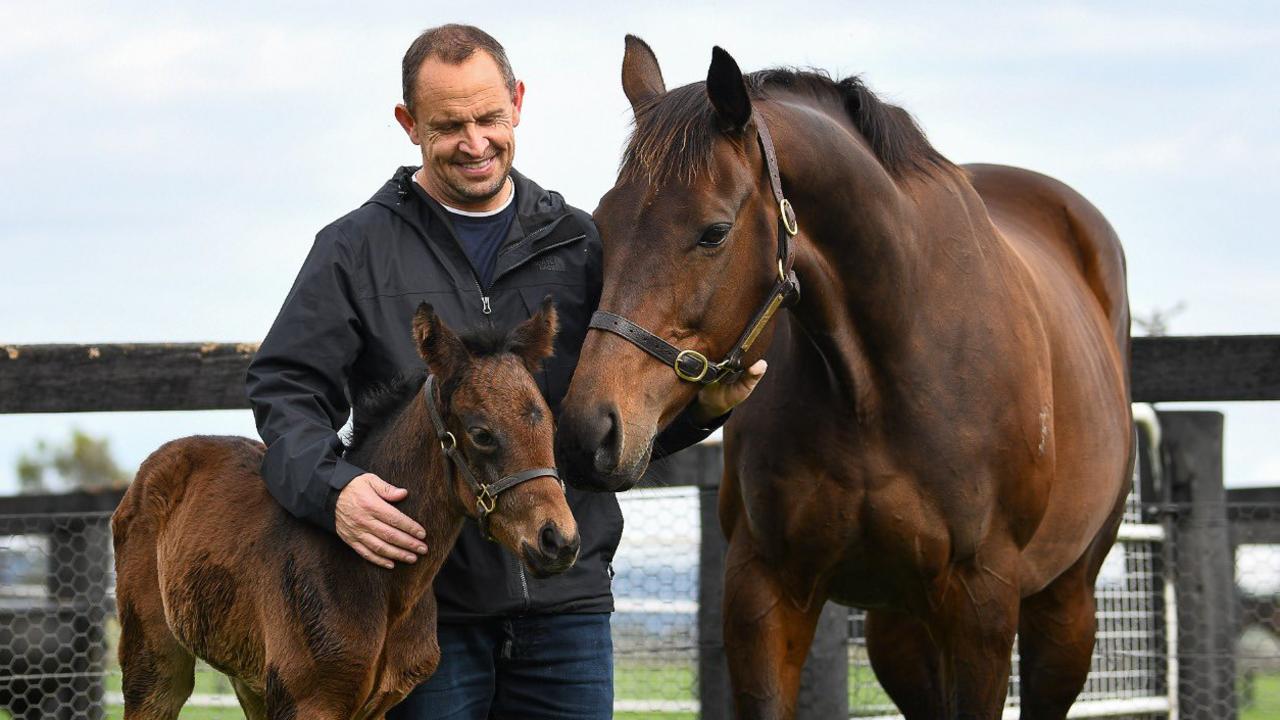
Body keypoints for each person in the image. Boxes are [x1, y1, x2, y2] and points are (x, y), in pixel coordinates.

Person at [245, 24, 766, 719]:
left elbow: (596, 437)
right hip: (421, 612)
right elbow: (285, 393)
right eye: (449, 125)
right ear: (408, 125)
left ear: (517, 102)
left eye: (489, 117)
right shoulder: (354, 250)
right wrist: (331, 491)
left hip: (568, 606)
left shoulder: (581, 243)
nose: (475, 141)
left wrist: (704, 411)